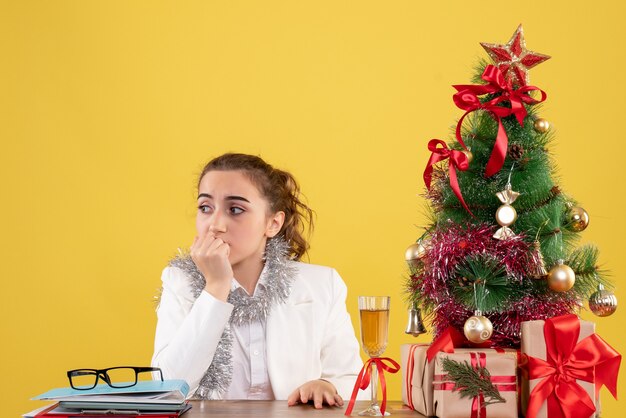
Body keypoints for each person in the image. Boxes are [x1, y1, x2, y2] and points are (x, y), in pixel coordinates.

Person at [151, 153, 363, 408]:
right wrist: (215, 287)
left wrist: (328, 386)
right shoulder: (180, 282)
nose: (215, 225)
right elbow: (170, 389)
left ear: (273, 223)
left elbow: (354, 379)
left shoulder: (322, 284)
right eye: (205, 208)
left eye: (235, 210)